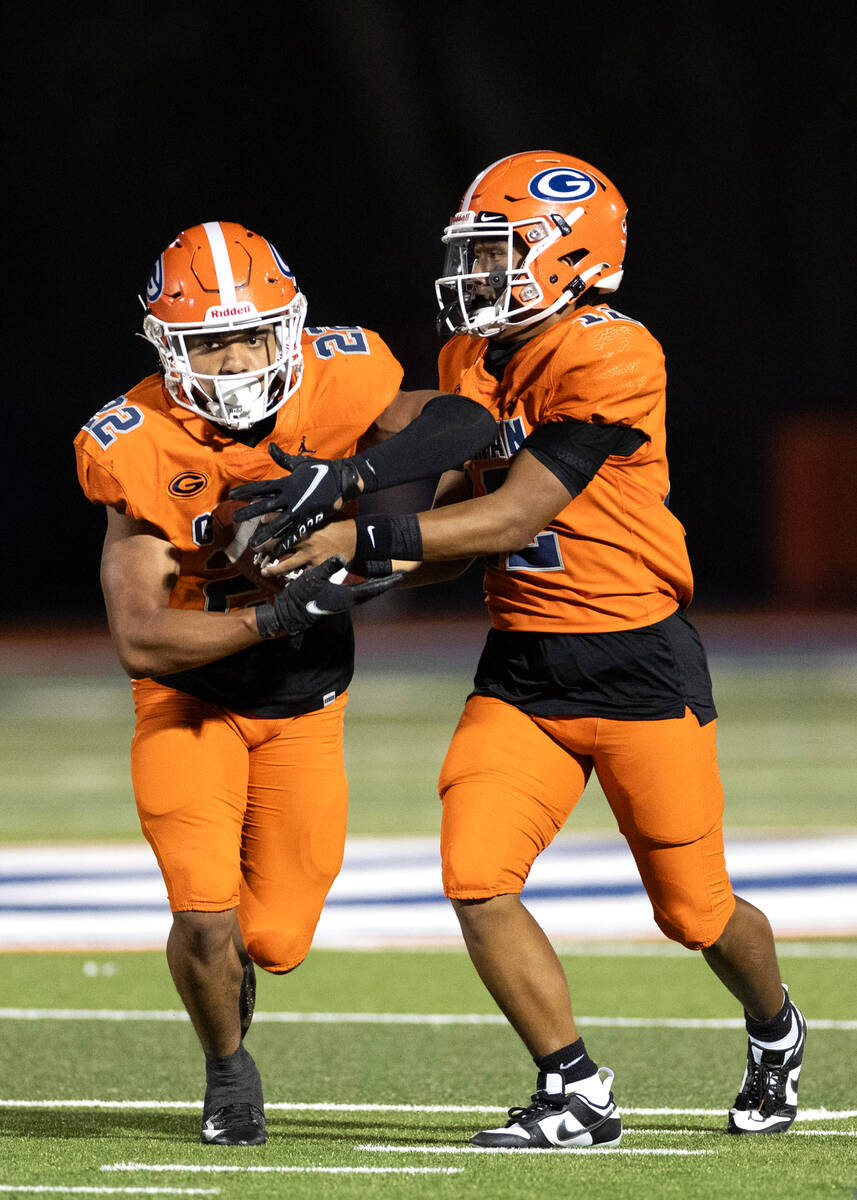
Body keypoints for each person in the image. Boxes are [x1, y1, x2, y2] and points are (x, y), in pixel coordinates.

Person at [256, 153, 808, 1148]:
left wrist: (356, 536)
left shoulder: (612, 352)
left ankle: (773, 1029)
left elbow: (517, 514)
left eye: (497, 253)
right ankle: (574, 1090)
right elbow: (456, 519)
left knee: (694, 913)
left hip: (637, 662)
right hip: (522, 666)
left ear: (570, 256)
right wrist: (351, 576)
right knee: (475, 875)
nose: (475, 275)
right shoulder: (475, 359)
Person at [73, 220, 497, 1147]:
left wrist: (354, 484)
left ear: (290, 327)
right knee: (204, 910)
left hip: (306, 702)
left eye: (250, 334)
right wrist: (275, 612)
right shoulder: (136, 438)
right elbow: (140, 640)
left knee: (277, 941)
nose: (231, 360)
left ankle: (233, 971)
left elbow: (466, 423)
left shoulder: (342, 377)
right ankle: (227, 1070)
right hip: (191, 702)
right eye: (207, 341)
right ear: (166, 348)